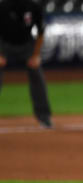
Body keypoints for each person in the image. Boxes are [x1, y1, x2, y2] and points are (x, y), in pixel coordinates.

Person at [0, 0, 53, 128]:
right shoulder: (3, 6)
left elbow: (40, 32)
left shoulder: (34, 6)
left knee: (37, 75)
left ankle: (44, 117)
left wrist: (35, 56)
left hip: (26, 45)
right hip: (4, 44)